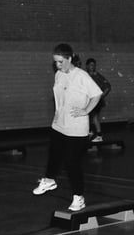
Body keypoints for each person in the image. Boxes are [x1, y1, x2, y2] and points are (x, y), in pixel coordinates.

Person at [33, 44, 103, 212]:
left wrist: (86, 110)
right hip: (59, 124)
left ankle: (79, 197)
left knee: (71, 162)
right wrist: (58, 113)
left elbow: (97, 94)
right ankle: (49, 180)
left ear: (69, 59)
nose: (57, 65)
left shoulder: (82, 76)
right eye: (55, 62)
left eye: (60, 61)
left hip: (76, 127)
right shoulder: (59, 75)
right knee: (54, 154)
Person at [85, 58, 111, 143]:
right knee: (88, 116)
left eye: (94, 65)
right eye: (91, 65)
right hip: (88, 101)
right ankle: (89, 132)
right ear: (87, 66)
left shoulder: (97, 75)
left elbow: (108, 86)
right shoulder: (85, 75)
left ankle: (99, 135)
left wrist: (101, 96)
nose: (93, 67)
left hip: (96, 101)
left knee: (94, 116)